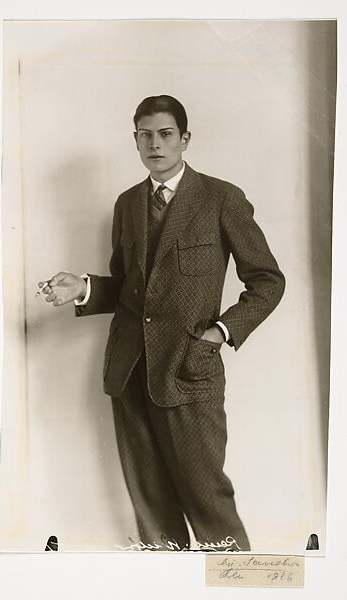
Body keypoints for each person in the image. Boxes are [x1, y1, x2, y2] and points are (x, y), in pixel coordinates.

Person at [39, 95, 285, 552]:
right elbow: (134, 289)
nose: (155, 143)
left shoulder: (221, 198)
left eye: (165, 134)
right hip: (129, 371)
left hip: (189, 370)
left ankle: (238, 586)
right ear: (135, 141)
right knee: (151, 510)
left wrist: (220, 333)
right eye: (145, 135)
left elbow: (268, 281)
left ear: (185, 139)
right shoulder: (127, 203)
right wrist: (85, 288)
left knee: (208, 501)